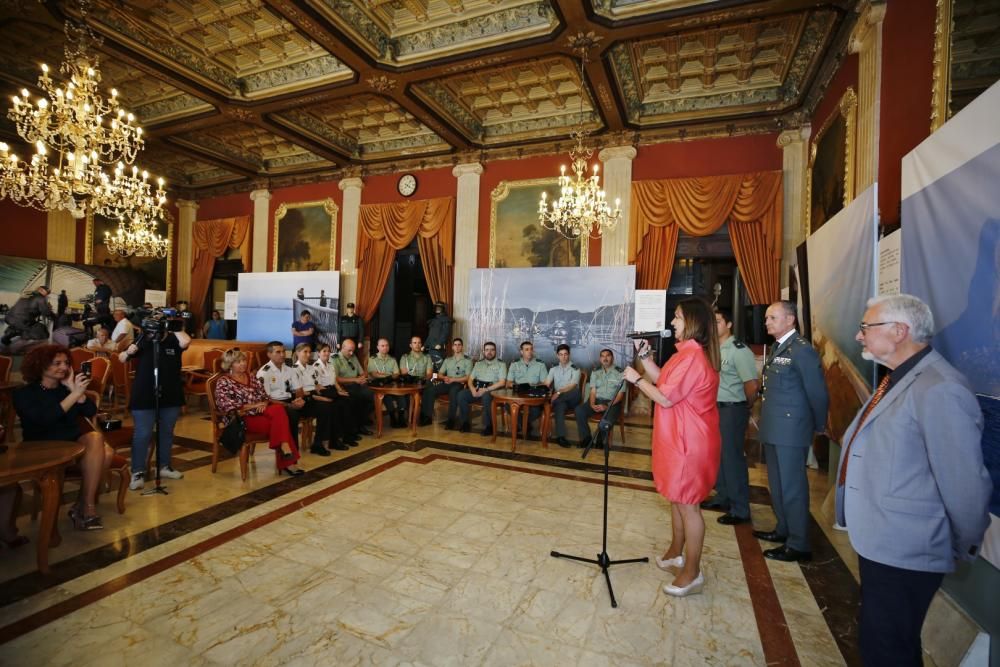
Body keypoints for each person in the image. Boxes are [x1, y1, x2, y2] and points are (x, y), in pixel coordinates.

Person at [836, 295, 992, 666]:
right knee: (884, 643)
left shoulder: (940, 387)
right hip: (883, 541)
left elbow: (966, 485)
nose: (859, 337)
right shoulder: (900, 377)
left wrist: (957, 543)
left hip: (907, 547)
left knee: (888, 650)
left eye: (866, 328)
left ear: (899, 331)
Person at [624, 297, 721, 597]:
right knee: (677, 500)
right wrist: (645, 359)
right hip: (678, 440)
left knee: (689, 505)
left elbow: (665, 398)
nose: (672, 323)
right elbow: (665, 381)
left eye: (677, 317)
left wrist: (636, 379)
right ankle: (676, 553)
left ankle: (692, 572)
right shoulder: (685, 355)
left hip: (689, 444)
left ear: (692, 322)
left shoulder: (693, 359)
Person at [752, 300, 829, 562]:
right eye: (766, 318)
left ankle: (799, 543)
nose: (767, 322)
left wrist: (818, 425)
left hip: (792, 430)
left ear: (790, 320)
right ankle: (783, 529)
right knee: (776, 483)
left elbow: (817, 393)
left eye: (772, 318)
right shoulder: (778, 347)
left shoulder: (802, 350)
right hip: (775, 427)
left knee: (792, 486)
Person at [13, 345, 115, 530]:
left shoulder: (66, 389)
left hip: (73, 446)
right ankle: (82, 508)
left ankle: (85, 506)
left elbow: (91, 411)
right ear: (40, 365)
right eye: (56, 363)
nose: (64, 367)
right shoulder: (25, 393)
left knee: (96, 440)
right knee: (105, 454)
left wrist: (74, 391)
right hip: (42, 447)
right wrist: (75, 393)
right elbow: (46, 419)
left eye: (66, 363)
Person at [704, 308, 759, 526]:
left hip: (732, 409)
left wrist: (746, 406)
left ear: (728, 325)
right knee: (717, 455)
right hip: (714, 408)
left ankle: (740, 508)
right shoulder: (712, 349)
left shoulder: (739, 350)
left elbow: (751, 385)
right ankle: (723, 496)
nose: (713, 326)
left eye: (717, 321)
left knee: (732, 458)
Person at [121, 322, 190, 490]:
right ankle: (137, 471)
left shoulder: (174, 339)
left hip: (170, 394)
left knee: (166, 432)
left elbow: (186, 342)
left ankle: (164, 466)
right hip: (144, 394)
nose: (154, 333)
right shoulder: (143, 339)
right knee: (142, 434)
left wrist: (173, 324)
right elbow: (122, 358)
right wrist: (128, 352)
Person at [214, 349, 304, 476]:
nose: (243, 364)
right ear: (230, 364)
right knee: (281, 424)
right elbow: (226, 405)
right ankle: (288, 462)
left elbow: (265, 397)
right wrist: (254, 405)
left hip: (261, 413)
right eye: (238, 362)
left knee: (278, 411)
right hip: (243, 419)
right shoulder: (224, 381)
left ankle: (285, 448)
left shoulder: (251, 377)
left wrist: (264, 403)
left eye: (244, 360)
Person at [257, 341, 332, 457]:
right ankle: (292, 454)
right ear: (269, 354)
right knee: (292, 415)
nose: (282, 355)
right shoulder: (264, 372)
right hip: (275, 404)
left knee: (324, 407)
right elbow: (266, 399)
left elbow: (298, 390)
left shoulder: (289, 369)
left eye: (283, 351)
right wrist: (290, 405)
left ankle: (317, 444)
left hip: (291, 401)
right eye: (278, 352)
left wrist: (300, 399)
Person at [293, 343, 357, 451]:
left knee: (339, 402)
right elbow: (300, 392)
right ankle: (319, 444)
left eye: (309, 352)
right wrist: (322, 398)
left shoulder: (310, 368)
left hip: (315, 394)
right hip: (304, 400)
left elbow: (318, 386)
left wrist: (335, 393)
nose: (308, 354)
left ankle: (335, 440)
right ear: (297, 353)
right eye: (305, 352)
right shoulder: (294, 369)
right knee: (326, 407)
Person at [574, 348, 626, 449]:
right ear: (600, 359)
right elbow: (593, 391)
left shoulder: (620, 373)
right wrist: (592, 404)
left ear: (613, 358)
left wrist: (606, 406)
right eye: (602, 356)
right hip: (596, 400)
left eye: (608, 356)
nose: (605, 358)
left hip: (612, 403)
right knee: (579, 410)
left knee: (607, 420)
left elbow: (620, 395)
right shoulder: (595, 372)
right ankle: (586, 439)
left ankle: (600, 441)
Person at [313, 343, 365, 440]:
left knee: (349, 400)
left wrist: (340, 390)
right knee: (341, 405)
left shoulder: (330, 365)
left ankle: (348, 434)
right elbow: (318, 387)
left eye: (328, 351)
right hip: (324, 392)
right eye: (324, 351)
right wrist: (337, 393)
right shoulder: (316, 366)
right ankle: (336, 438)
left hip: (332, 390)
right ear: (318, 353)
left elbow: (334, 381)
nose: (327, 353)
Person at [455, 341, 507, 435]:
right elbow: (470, 379)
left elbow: (502, 382)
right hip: (478, 389)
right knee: (461, 395)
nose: (489, 352)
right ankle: (465, 423)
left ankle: (489, 426)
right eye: (487, 350)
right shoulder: (478, 364)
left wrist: (486, 390)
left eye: (492, 350)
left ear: (495, 351)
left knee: (486, 397)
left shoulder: (501, 364)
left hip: (492, 391)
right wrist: (472, 389)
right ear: (483, 351)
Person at [419, 338, 472, 428]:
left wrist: (453, 379)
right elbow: (439, 374)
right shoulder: (448, 360)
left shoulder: (468, 360)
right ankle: (427, 417)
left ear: (462, 347)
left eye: (459, 345)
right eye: (455, 345)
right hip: (447, 382)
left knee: (453, 391)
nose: (457, 347)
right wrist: (444, 377)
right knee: (429, 389)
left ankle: (451, 420)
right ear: (452, 347)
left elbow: (468, 377)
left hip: (459, 383)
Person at [505, 341, 548, 436]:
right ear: (521, 352)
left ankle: (522, 424)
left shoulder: (540, 364)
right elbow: (508, 383)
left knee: (536, 410)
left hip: (533, 394)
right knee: (508, 405)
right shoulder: (514, 364)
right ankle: (525, 425)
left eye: (531, 349)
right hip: (518, 394)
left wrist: (534, 386)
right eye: (526, 349)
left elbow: (545, 383)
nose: (530, 352)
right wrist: (518, 386)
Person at [544, 344, 581, 448]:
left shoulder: (575, 369)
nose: (563, 357)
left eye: (565, 354)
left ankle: (556, 400)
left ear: (569, 355)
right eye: (561, 354)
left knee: (576, 392)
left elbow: (573, 386)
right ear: (557, 356)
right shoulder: (553, 369)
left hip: (572, 398)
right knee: (559, 406)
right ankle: (561, 437)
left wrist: (558, 393)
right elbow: (547, 383)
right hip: (561, 400)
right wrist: (541, 388)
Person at [332, 338, 374, 426]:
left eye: (353, 351)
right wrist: (355, 379)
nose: (351, 353)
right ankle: (358, 424)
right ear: (342, 348)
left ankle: (361, 420)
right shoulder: (335, 359)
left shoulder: (353, 357)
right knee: (358, 397)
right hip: (344, 386)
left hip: (357, 385)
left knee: (372, 396)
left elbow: (362, 373)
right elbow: (336, 378)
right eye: (349, 351)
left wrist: (362, 379)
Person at [398, 335, 433, 426]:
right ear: (410, 345)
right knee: (401, 386)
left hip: (422, 381)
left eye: (419, 343)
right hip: (409, 381)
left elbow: (429, 373)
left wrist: (423, 379)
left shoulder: (427, 357)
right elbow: (403, 372)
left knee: (429, 385)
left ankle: (426, 416)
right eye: (415, 343)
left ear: (421, 344)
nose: (417, 345)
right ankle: (403, 415)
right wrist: (414, 379)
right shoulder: (405, 357)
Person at [368, 338, 403, 426]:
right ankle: (392, 418)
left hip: (390, 384)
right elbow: (373, 374)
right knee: (387, 396)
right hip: (378, 385)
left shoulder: (392, 359)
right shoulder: (372, 359)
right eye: (382, 346)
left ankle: (401, 418)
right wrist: (389, 375)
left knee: (401, 395)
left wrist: (385, 376)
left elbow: (397, 374)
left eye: (387, 345)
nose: (385, 347)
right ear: (378, 347)